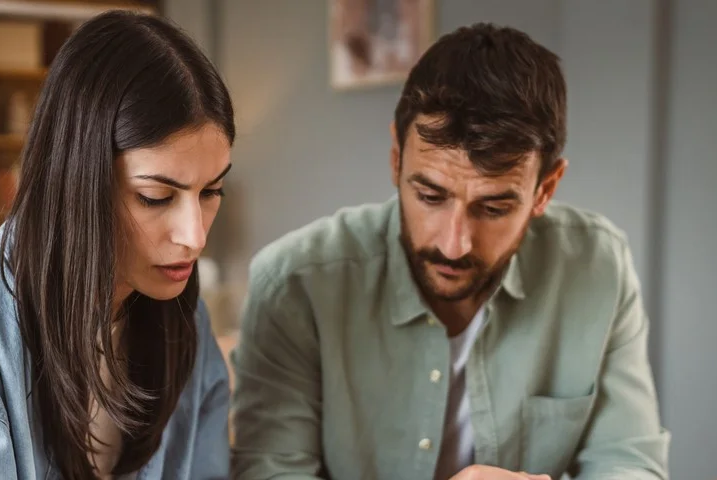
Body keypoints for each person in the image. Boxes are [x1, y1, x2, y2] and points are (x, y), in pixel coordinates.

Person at [231, 23, 669, 480]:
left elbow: (630, 460)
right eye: (430, 197)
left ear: (546, 189)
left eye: (494, 207)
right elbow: (270, 473)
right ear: (397, 160)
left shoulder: (598, 266)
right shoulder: (293, 284)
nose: (453, 243)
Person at [0, 11, 235, 480]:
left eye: (211, 192)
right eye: (155, 197)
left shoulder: (181, 315)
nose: (195, 236)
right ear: (78, 180)